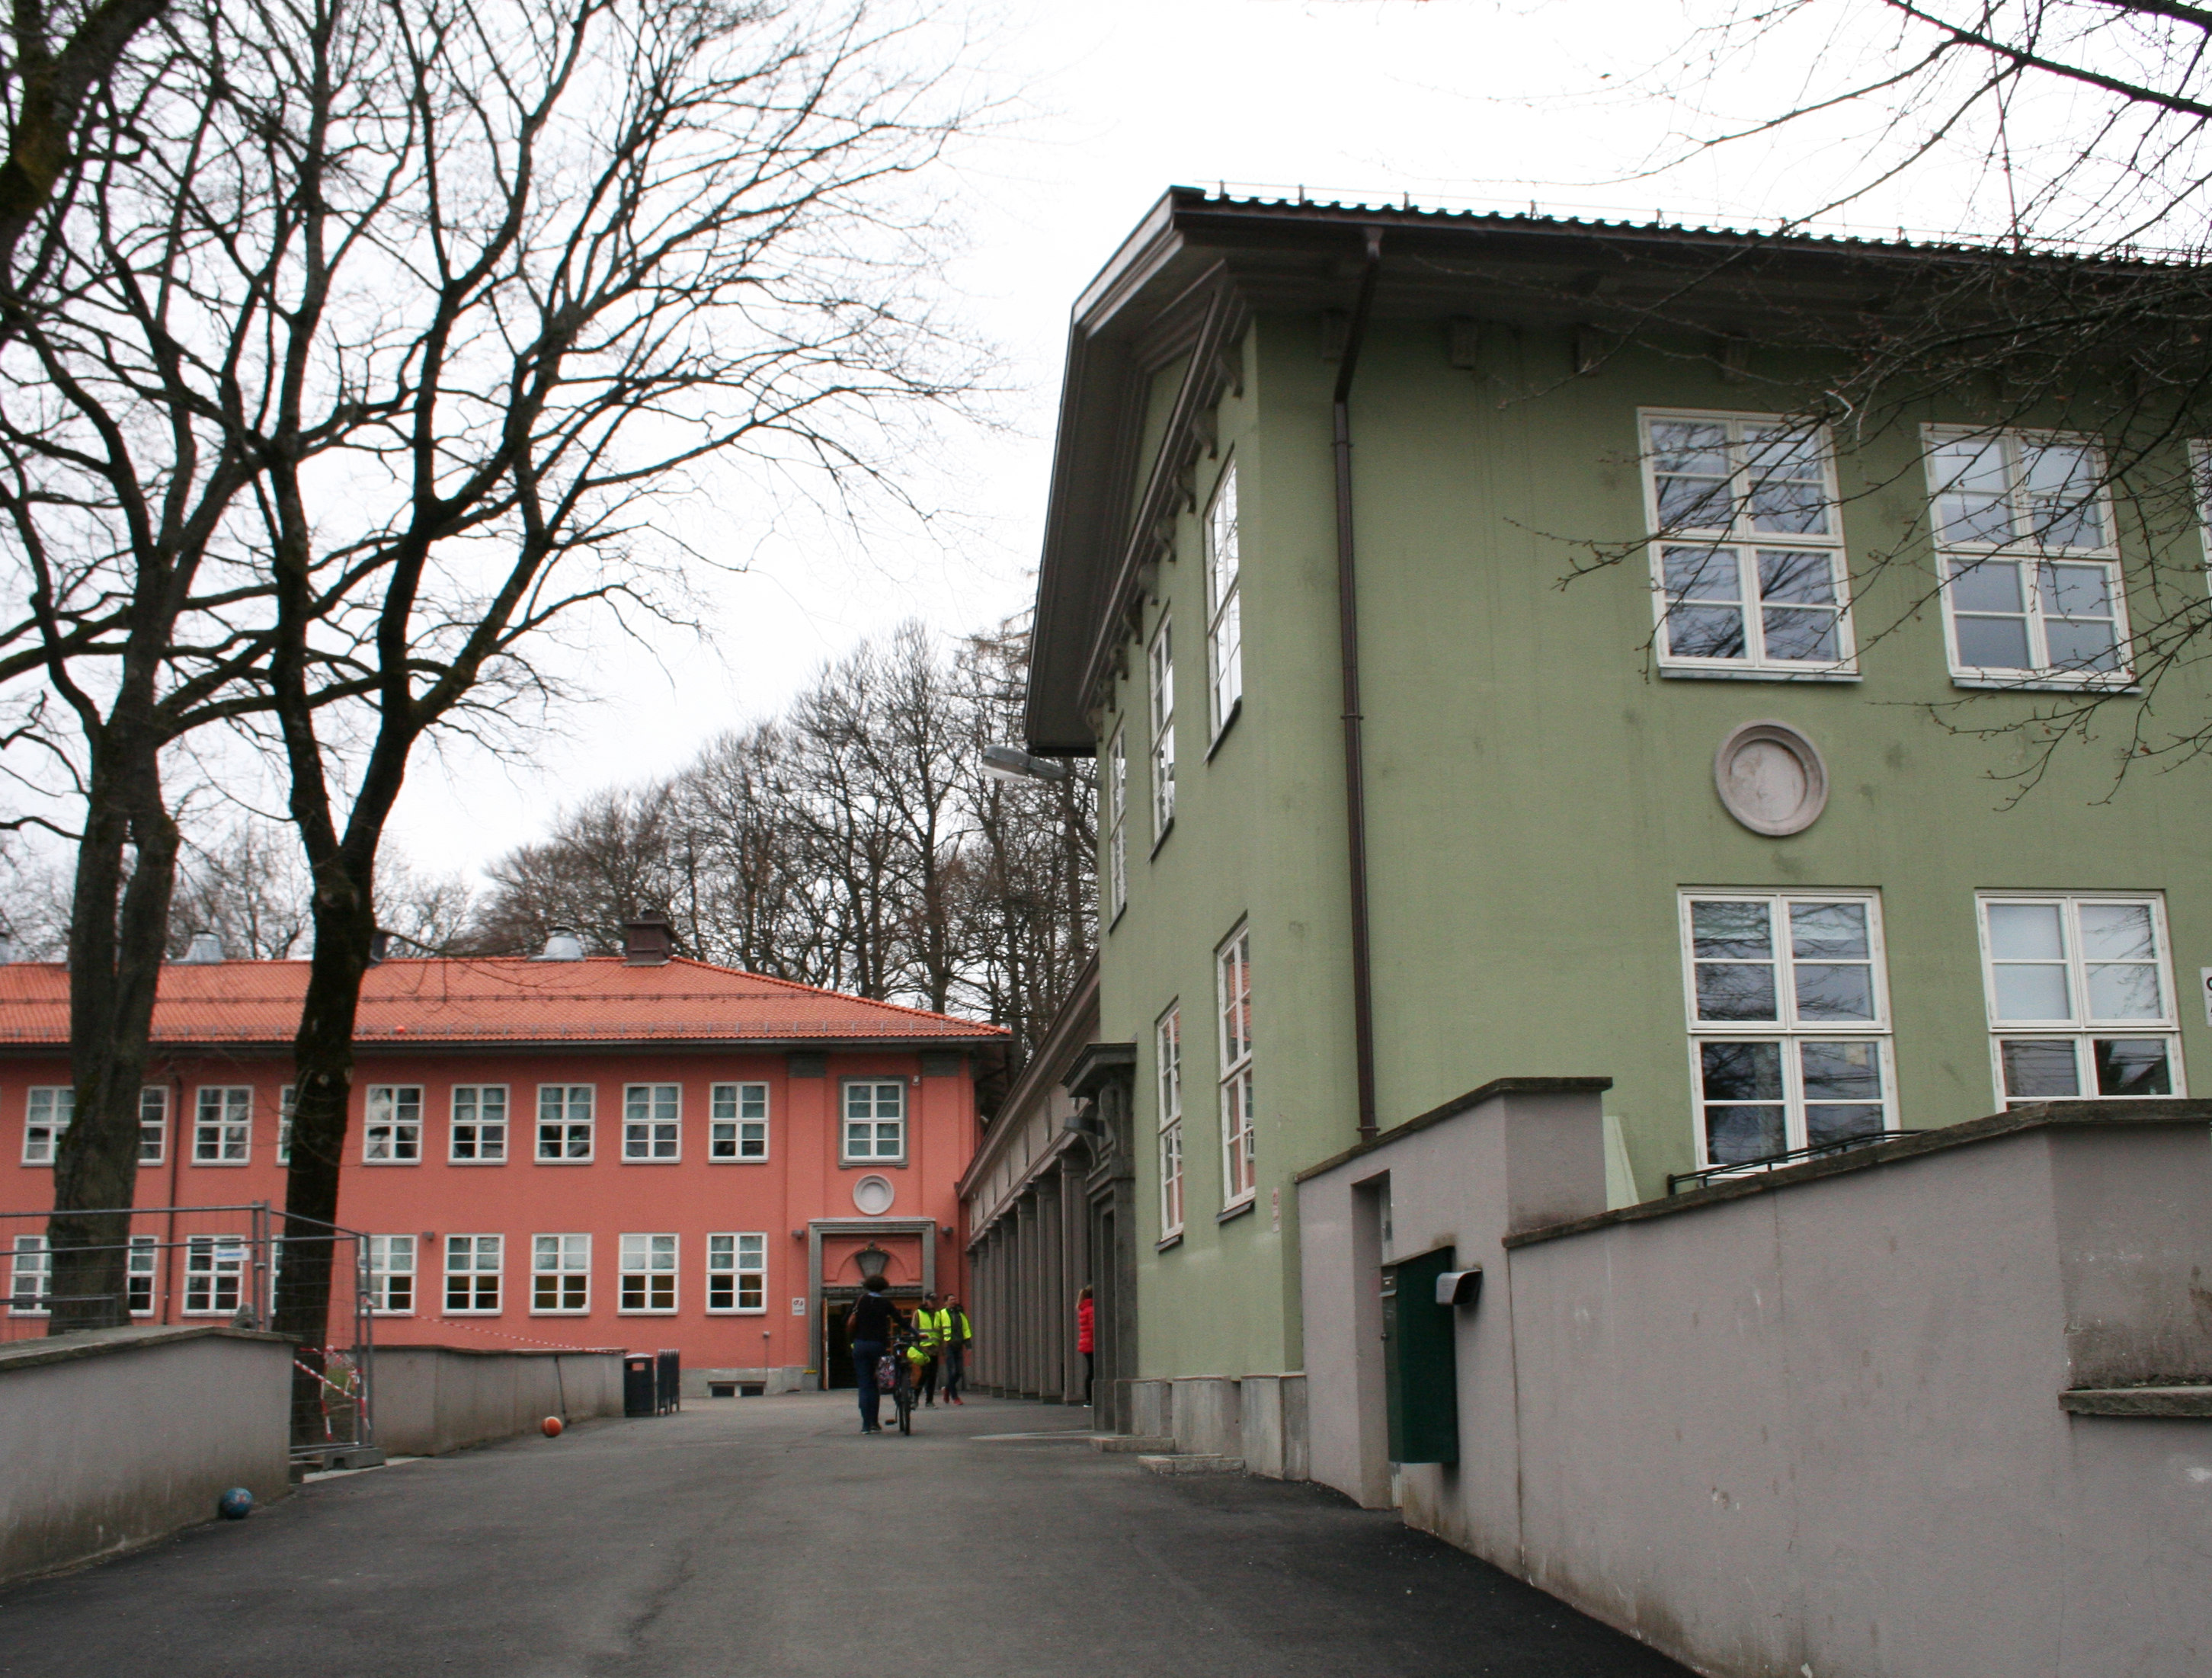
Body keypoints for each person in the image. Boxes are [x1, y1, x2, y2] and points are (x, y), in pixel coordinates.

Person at [846, 1275, 900, 1433]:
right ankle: (875, 1422)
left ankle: (865, 1425)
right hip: (878, 1346)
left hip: (860, 1346)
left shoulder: (859, 1300)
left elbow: (846, 1321)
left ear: (867, 1286)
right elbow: (900, 1320)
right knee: (875, 1384)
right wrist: (914, 1333)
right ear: (884, 1287)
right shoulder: (885, 1303)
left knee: (864, 1386)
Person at [939, 1294, 972, 1404]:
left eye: (954, 1299)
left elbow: (966, 1329)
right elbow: (937, 1329)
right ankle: (955, 1397)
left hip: (958, 1345)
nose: (953, 1301)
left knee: (959, 1372)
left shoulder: (960, 1314)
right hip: (948, 1345)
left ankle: (947, 1388)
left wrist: (968, 1346)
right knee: (951, 1371)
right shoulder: (941, 1314)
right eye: (951, 1300)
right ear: (946, 1302)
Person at [914, 1291, 945, 1406]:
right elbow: (914, 1329)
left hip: (934, 1349)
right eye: (932, 1301)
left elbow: (940, 1332)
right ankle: (915, 1396)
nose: (934, 1303)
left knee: (933, 1375)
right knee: (925, 1373)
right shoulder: (919, 1313)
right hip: (924, 1348)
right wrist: (916, 1347)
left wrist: (942, 1349)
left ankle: (929, 1400)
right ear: (926, 1301)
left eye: (935, 1300)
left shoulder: (938, 1314)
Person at [1077, 1283, 1095, 1404]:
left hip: (1086, 1344)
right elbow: (1094, 1328)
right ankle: (1090, 1399)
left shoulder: (1084, 1309)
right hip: (1092, 1344)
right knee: (1094, 1372)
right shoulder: (1092, 1310)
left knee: (1091, 1371)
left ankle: (1089, 1399)